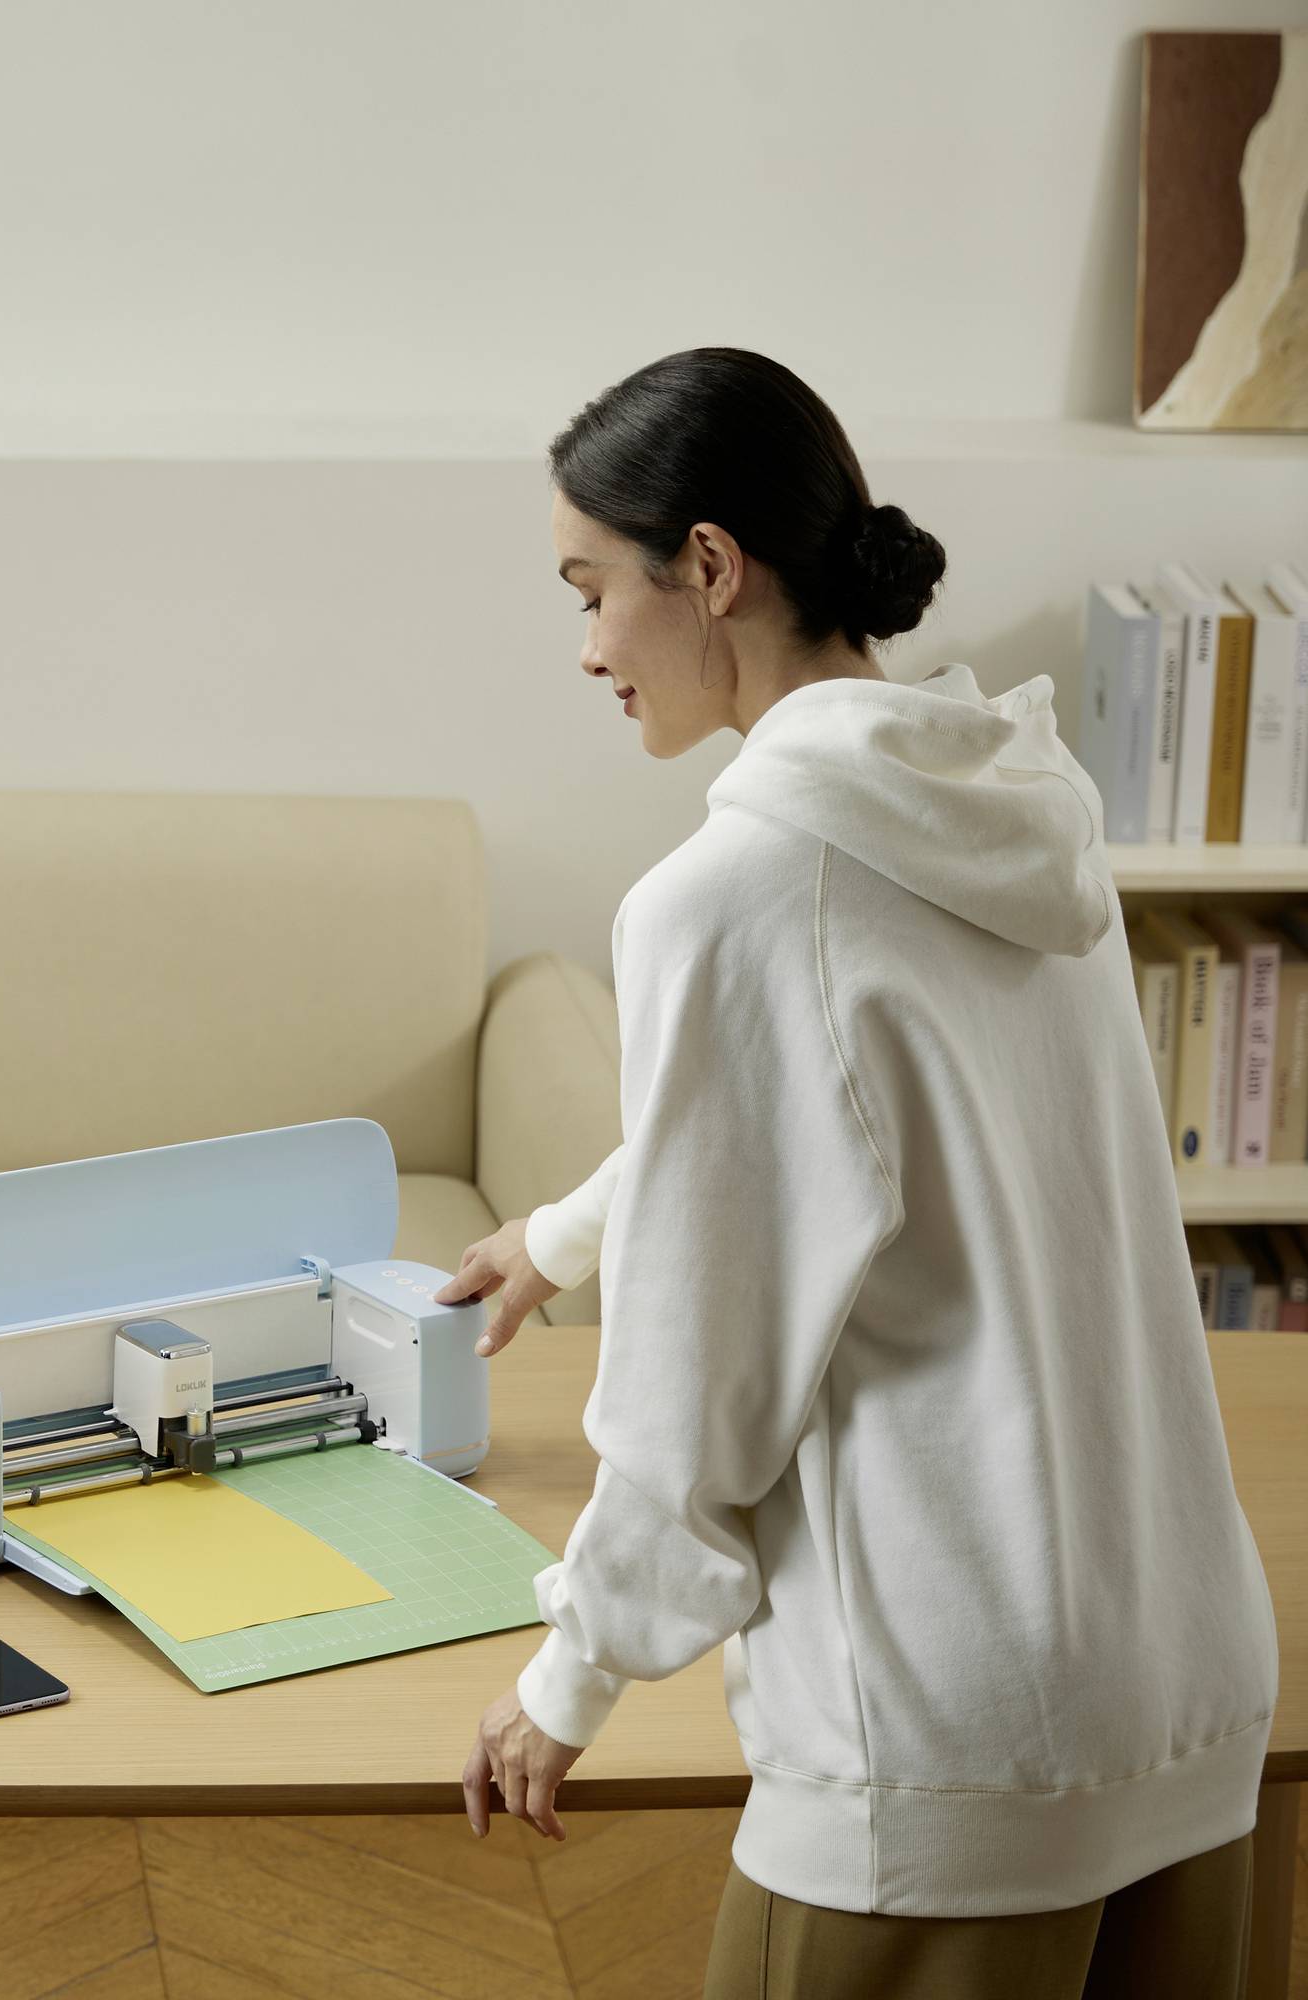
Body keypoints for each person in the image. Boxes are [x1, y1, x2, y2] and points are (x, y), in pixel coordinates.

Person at [436, 348, 1278, 1998]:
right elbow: (891, 1114)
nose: (590, 648)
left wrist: (571, 1678)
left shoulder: (729, 894)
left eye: (591, 589)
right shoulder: (1025, 805)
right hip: (1180, 1677)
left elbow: (701, 1385)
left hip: (950, 1731)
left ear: (709, 567)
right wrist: (569, 1231)